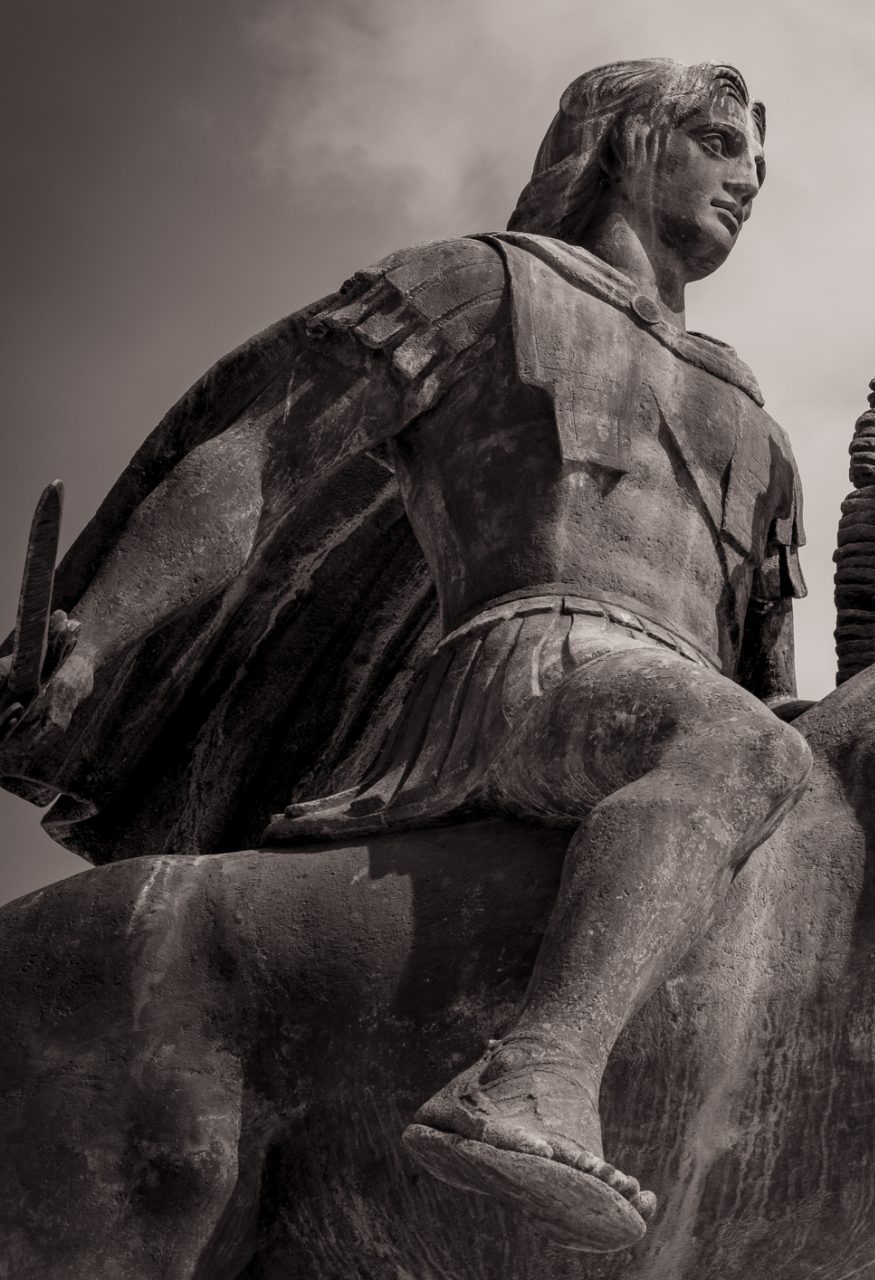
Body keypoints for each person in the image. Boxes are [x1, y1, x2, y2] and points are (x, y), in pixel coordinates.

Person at [0, 60, 808, 1251]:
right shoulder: (481, 284)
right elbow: (259, 461)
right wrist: (89, 645)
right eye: (721, 141)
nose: (749, 178)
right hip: (529, 661)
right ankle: (531, 1074)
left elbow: (767, 676)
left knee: (786, 768)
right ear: (631, 146)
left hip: (676, 716)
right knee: (741, 749)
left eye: (760, 163)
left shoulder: (761, 421)